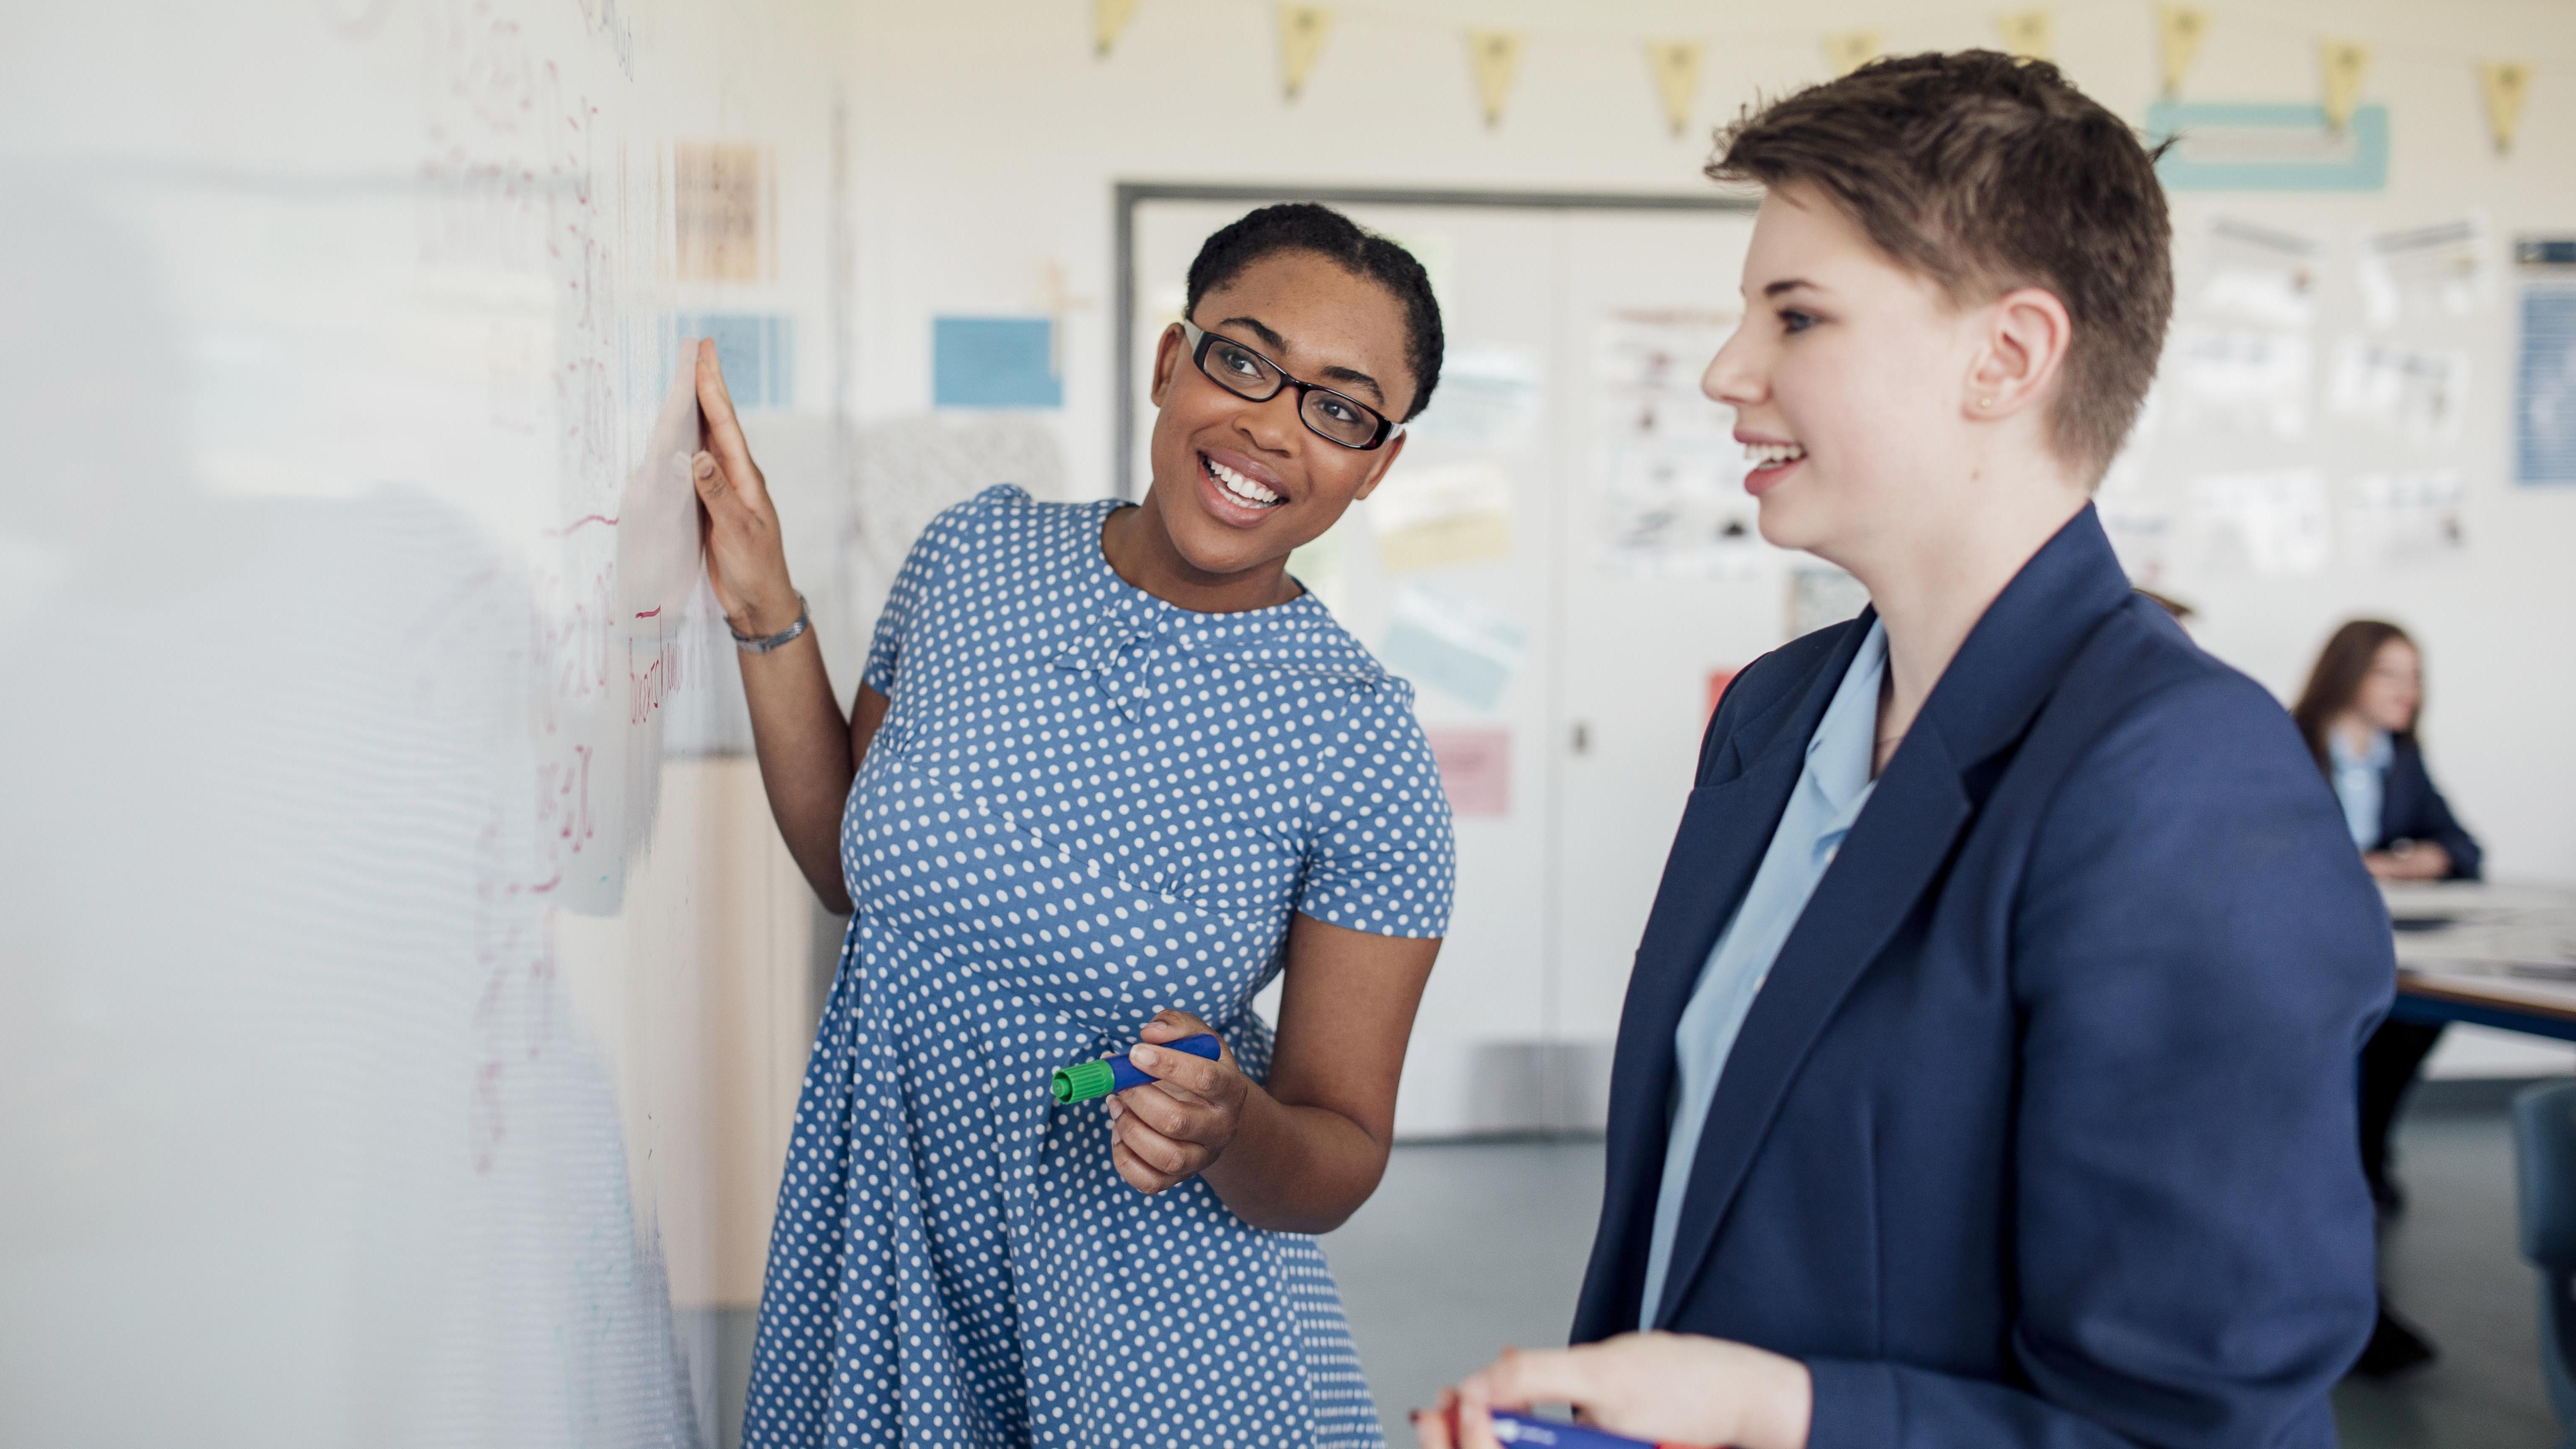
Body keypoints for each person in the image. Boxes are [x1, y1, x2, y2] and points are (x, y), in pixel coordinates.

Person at [1419, 53, 2390, 1449]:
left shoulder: (2182, 780)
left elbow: (2189, 1426)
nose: (1722, 369)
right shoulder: (1774, 712)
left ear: (2006, 357)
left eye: (1795, 314)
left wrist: (1777, 1410)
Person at [693, 202, 1456, 1447]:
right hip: (887, 1246)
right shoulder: (974, 557)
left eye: (1340, 406)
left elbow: (1342, 1147)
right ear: (1170, 361)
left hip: (1141, 1332)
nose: (1271, 424)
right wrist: (764, 604)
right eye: (1245, 359)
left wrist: (1230, 1124)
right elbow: (852, 867)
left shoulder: (1359, 741)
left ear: (1375, 463)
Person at [2292, 618, 2483, 1376]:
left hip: (2387, 949)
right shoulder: (2287, 739)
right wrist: (2372, 863)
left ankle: (2364, 1151)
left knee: (2412, 1021)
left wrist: (2413, 862)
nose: (2409, 692)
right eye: (2390, 674)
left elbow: (2462, 849)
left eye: (2414, 675)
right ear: (2347, 675)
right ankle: (2349, 1193)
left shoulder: (2402, 757)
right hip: (2309, 956)